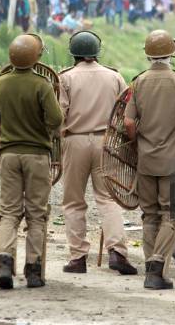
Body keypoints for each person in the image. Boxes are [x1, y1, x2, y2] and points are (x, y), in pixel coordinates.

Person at [124, 30, 175, 289]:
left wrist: (137, 145)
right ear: (172, 51)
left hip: (146, 161)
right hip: (173, 163)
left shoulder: (138, 82)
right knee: (173, 214)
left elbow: (128, 122)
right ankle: (158, 264)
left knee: (149, 216)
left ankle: (152, 272)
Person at [59, 31, 137, 276]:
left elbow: (59, 115)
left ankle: (77, 257)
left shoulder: (65, 78)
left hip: (75, 140)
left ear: (74, 53)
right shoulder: (114, 77)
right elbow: (126, 111)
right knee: (108, 198)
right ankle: (118, 252)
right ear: (96, 52)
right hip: (107, 142)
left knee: (73, 201)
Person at [0, 34, 63, 289]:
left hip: (9, 154)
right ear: (37, 57)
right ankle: (33, 270)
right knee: (36, 214)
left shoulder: (0, 83)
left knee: (9, 212)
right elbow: (56, 121)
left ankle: (4, 263)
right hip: (37, 156)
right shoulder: (41, 85)